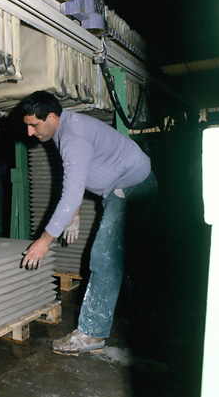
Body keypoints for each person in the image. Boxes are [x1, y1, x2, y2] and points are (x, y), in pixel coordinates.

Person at [19, 90, 157, 355]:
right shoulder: (68, 127)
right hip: (134, 184)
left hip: (130, 188)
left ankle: (91, 334)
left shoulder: (73, 138)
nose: (29, 133)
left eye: (33, 125)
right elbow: (79, 175)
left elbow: (70, 192)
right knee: (126, 255)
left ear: (50, 117)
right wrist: (76, 213)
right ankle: (144, 314)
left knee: (104, 256)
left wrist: (43, 241)